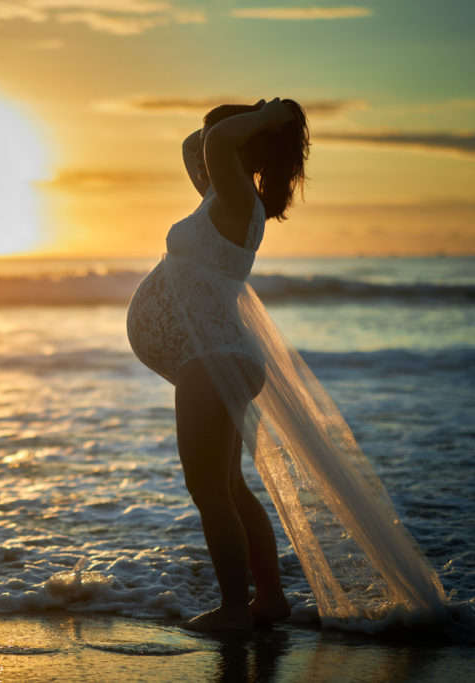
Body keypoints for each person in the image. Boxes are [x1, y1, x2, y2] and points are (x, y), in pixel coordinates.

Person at [126, 98, 308, 631]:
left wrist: (267, 121)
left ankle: (233, 609)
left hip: (212, 359)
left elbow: (215, 143)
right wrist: (252, 114)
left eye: (224, 136)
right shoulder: (220, 198)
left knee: (209, 493)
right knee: (229, 490)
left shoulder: (237, 200)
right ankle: (269, 599)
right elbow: (196, 146)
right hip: (214, 358)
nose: (209, 145)